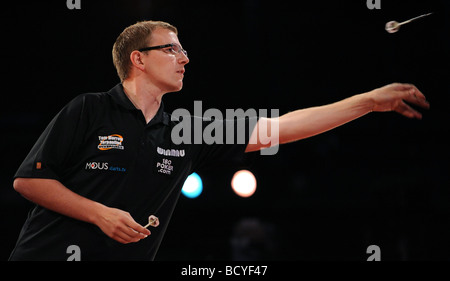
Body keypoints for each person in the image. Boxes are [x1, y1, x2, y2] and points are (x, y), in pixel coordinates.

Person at [10, 20, 429, 261]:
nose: (185, 58)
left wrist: (369, 101)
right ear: (137, 59)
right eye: (172, 49)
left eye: (184, 50)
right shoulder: (89, 108)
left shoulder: (188, 128)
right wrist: (100, 214)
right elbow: (29, 181)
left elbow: (280, 128)